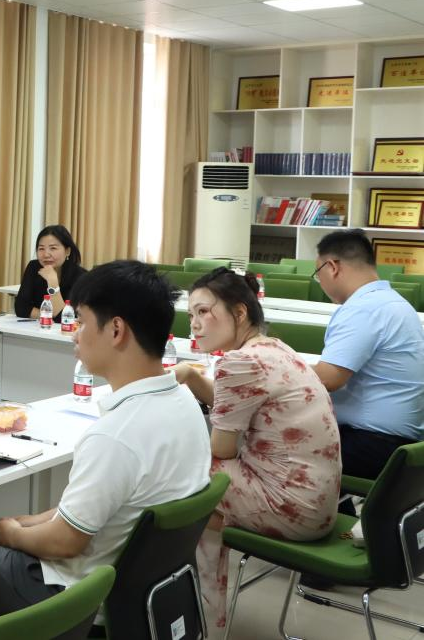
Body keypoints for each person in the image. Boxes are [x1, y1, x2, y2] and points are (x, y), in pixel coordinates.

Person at [0, 261, 209, 617]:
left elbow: (65, 541)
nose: (75, 335)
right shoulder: (184, 401)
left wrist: (11, 534)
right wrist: (27, 522)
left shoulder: (115, 436)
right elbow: (94, 507)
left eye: (82, 322)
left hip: (77, 593)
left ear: (116, 330)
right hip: (146, 587)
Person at [174, 268, 340, 630]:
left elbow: (222, 451)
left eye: (204, 312)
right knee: (198, 499)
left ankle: (198, 616)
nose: (195, 324)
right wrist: (190, 376)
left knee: (180, 478)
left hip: (291, 508)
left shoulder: (239, 362)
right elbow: (235, 404)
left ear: (239, 312)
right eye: (190, 315)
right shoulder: (274, 348)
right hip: (319, 505)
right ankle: (203, 615)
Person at [311, 229, 424, 488]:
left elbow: (328, 379)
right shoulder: (394, 302)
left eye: (318, 274)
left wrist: (274, 368)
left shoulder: (363, 308)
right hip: (401, 445)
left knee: (269, 447)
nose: (321, 283)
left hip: (371, 444)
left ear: (332, 267)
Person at [14, 225, 87, 319]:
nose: (46, 254)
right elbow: (21, 308)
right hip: (39, 327)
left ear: (67, 251)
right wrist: (50, 316)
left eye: (53, 248)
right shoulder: (34, 267)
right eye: (41, 248)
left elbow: (65, 318)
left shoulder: (81, 277)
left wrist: (52, 283)